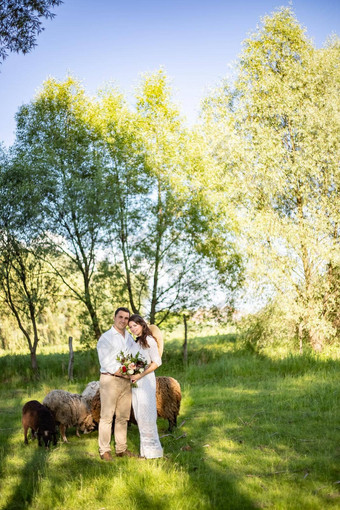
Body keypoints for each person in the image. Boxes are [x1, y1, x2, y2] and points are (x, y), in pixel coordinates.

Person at [96, 307, 137, 461]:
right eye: (120, 317)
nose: (123, 321)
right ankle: (104, 450)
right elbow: (106, 363)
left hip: (126, 381)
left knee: (123, 417)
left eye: (126, 318)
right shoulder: (106, 338)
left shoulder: (129, 338)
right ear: (114, 318)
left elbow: (134, 356)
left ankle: (121, 449)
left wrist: (134, 370)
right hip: (110, 380)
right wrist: (126, 373)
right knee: (107, 417)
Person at [128, 314, 163, 459]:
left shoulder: (149, 340)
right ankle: (145, 452)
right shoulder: (136, 343)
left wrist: (139, 375)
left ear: (142, 324)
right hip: (136, 384)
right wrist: (131, 368)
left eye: (135, 326)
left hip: (146, 382)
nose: (133, 329)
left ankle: (154, 452)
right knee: (140, 416)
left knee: (148, 416)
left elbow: (156, 362)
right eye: (130, 327)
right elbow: (137, 362)